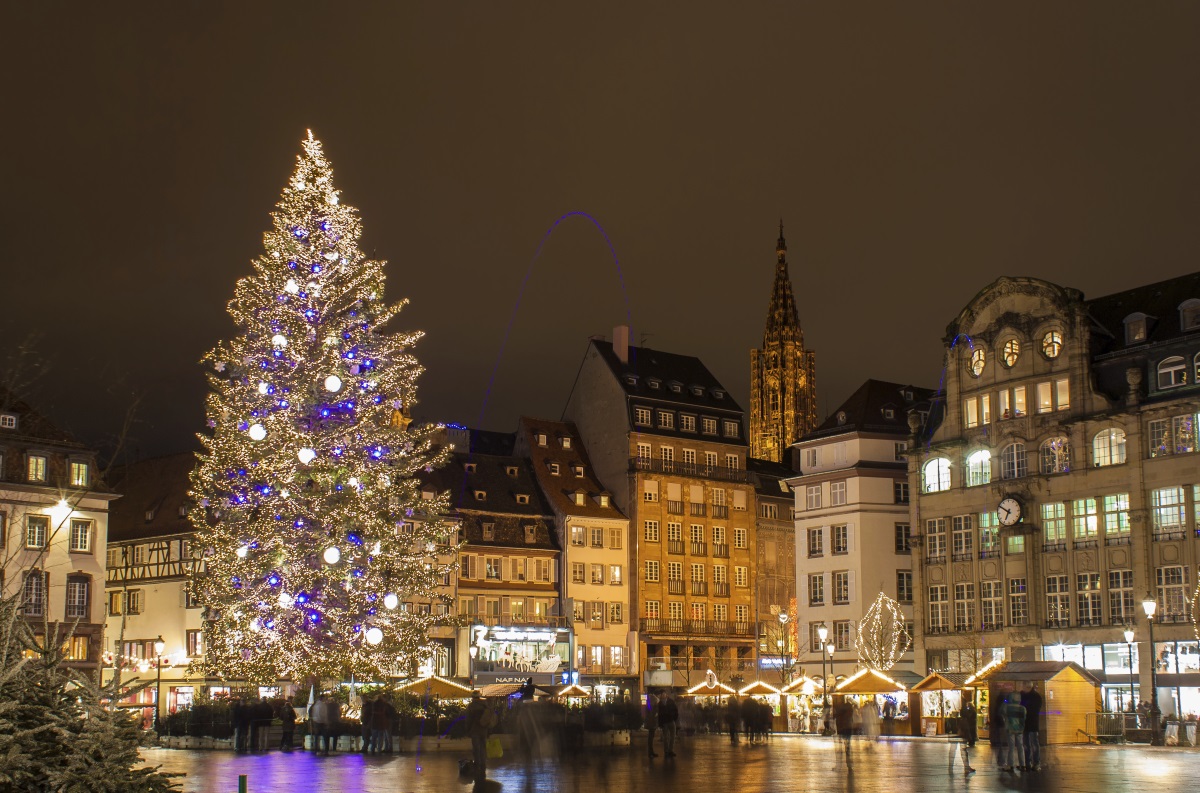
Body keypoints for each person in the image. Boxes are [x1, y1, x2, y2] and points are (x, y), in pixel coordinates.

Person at [465, 691, 491, 785]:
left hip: (475, 730)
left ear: (472, 697)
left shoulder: (471, 706)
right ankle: (483, 763)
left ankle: (478, 764)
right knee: (483, 747)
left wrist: (467, 730)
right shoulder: (485, 705)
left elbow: (468, 719)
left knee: (476, 748)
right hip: (484, 730)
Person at [1001, 693, 1026, 772]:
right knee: (1020, 746)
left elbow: (1002, 711)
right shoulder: (1023, 708)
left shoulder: (1007, 707)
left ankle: (1011, 765)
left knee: (1011, 747)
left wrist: (1005, 701)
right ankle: (1023, 765)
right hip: (1020, 729)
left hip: (1010, 729)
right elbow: (1024, 718)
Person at [951, 700, 977, 774]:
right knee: (964, 751)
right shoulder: (967, 717)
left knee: (963, 751)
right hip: (965, 734)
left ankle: (967, 767)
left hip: (964, 734)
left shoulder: (963, 716)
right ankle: (966, 767)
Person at [1022, 683, 1042, 771]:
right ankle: (1031, 763)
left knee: (1031, 744)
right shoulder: (1036, 696)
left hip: (1030, 723)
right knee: (1030, 744)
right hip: (1029, 723)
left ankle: (1033, 762)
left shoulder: (1034, 696)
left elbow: (1033, 709)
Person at [834, 698, 855, 769]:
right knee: (848, 745)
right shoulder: (849, 712)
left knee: (842, 746)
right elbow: (851, 720)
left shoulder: (841, 711)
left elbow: (837, 719)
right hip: (848, 728)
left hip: (843, 728)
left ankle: (840, 763)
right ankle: (849, 762)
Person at [659, 693, 679, 757]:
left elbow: (676, 710)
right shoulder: (660, 704)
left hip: (670, 721)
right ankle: (667, 751)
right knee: (666, 737)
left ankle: (670, 750)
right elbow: (659, 715)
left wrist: (674, 718)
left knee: (672, 736)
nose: (663, 695)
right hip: (666, 722)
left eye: (664, 694)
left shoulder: (670, 702)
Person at [645, 691, 660, 757]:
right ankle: (650, 752)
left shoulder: (648, 700)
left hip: (650, 721)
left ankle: (651, 752)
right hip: (652, 721)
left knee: (650, 737)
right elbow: (654, 713)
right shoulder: (653, 700)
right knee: (651, 737)